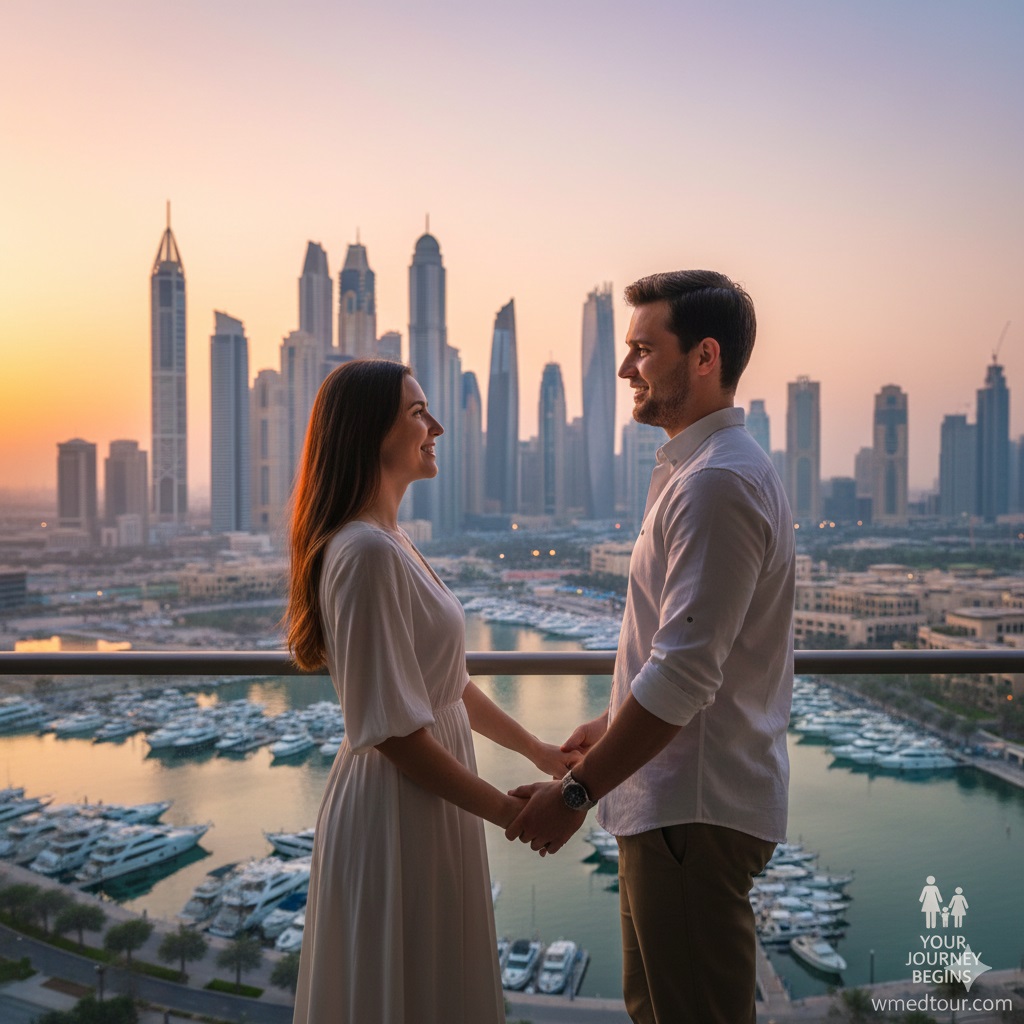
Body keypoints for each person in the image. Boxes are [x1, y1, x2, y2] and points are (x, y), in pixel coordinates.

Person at [506, 271, 796, 1024]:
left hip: (689, 818)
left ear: (704, 358)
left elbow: (684, 674)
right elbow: (690, 655)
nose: (630, 368)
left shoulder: (716, 484)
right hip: (669, 810)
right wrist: (609, 724)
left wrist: (573, 795)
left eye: (643, 349)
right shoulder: (693, 474)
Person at [288, 359, 575, 1024]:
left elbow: (445, 687)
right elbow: (393, 733)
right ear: (370, 433)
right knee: (408, 989)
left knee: (430, 984)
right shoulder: (365, 554)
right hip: (398, 806)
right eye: (418, 412)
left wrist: (539, 752)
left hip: (431, 799)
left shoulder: (393, 541)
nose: (436, 425)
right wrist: (513, 814)